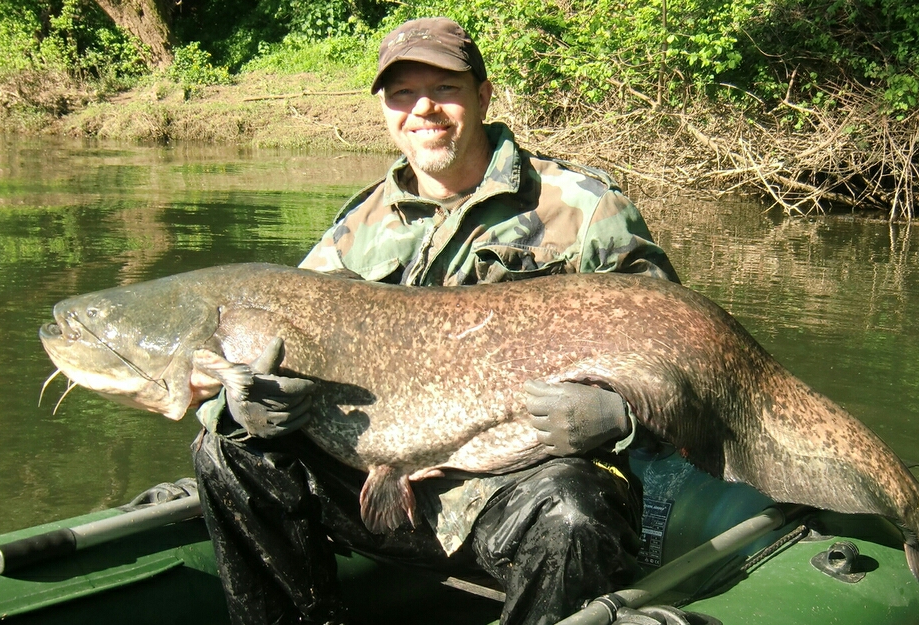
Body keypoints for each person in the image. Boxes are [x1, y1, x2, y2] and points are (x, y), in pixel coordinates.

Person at [192, 16, 681, 625]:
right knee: (227, 450)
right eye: (403, 94)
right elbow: (268, 357)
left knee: (572, 513)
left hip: (526, 483)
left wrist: (622, 415)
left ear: (483, 95)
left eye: (444, 88)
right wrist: (249, 405)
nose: (423, 108)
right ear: (385, 110)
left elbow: (680, 357)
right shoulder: (354, 231)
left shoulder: (586, 209)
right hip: (380, 487)